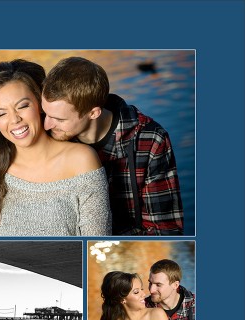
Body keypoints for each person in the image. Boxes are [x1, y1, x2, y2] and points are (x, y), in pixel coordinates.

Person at [0, 59, 111, 236]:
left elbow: (96, 238)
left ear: (41, 103)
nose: (14, 120)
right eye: (1, 113)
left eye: (23, 106)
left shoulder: (81, 161)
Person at [41, 56, 184, 235]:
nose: (46, 125)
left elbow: (165, 230)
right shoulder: (48, 135)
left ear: (93, 113)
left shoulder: (151, 139)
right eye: (45, 113)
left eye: (59, 119)